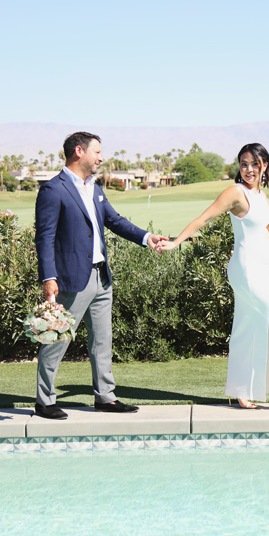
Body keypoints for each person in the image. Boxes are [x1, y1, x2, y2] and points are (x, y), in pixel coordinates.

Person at [157, 143, 269, 411]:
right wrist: (175, 241)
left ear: (265, 165)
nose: (248, 169)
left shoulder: (260, 196)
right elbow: (204, 219)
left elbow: (266, 234)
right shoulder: (235, 192)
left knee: (251, 327)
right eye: (243, 164)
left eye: (253, 163)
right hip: (247, 270)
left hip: (262, 272)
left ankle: (242, 390)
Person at [33, 131, 167, 420]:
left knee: (102, 341)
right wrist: (49, 278)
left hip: (101, 277)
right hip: (70, 279)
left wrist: (147, 238)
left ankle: (105, 398)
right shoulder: (52, 190)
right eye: (97, 152)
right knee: (57, 339)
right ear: (79, 151)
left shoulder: (94, 189)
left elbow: (114, 221)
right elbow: (44, 238)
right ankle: (45, 401)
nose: (101, 158)